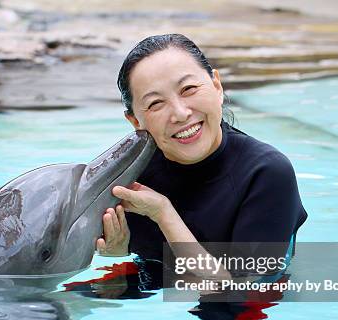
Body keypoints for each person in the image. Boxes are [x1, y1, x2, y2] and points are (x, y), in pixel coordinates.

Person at [96, 33, 308, 272]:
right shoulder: (133, 176)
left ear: (216, 86)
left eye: (188, 89)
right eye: (156, 103)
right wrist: (121, 248)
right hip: (157, 279)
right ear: (135, 121)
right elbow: (153, 265)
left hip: (242, 302)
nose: (180, 113)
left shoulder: (266, 173)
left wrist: (163, 213)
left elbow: (238, 290)